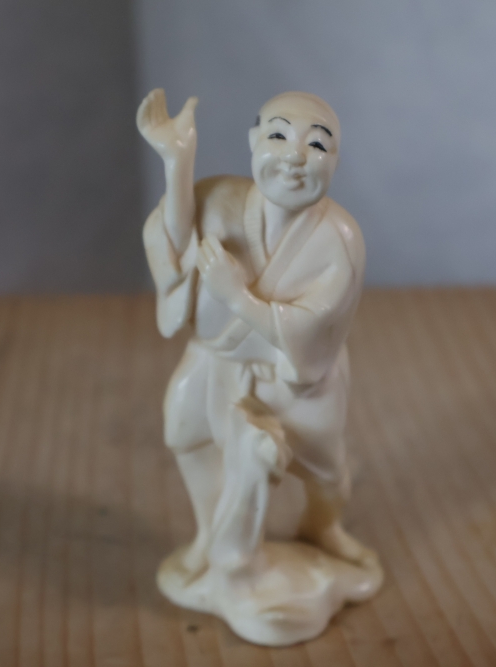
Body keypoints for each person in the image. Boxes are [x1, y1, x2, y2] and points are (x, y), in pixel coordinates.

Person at [138, 89, 381, 645]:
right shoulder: (219, 198)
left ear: (335, 161)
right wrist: (177, 162)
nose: (295, 157)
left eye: (316, 145)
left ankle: (323, 526)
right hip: (215, 359)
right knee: (187, 434)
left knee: (325, 467)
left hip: (295, 376)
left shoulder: (339, 239)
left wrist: (238, 295)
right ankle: (210, 538)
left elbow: (313, 325)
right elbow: (174, 246)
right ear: (252, 142)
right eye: (278, 136)